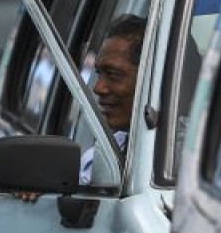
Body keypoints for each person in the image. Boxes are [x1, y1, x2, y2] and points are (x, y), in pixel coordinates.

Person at [16, 14, 146, 202]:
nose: (98, 88)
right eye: (99, 74)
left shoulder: (192, 164)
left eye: (114, 75)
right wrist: (41, 187)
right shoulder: (110, 150)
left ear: (153, 79)